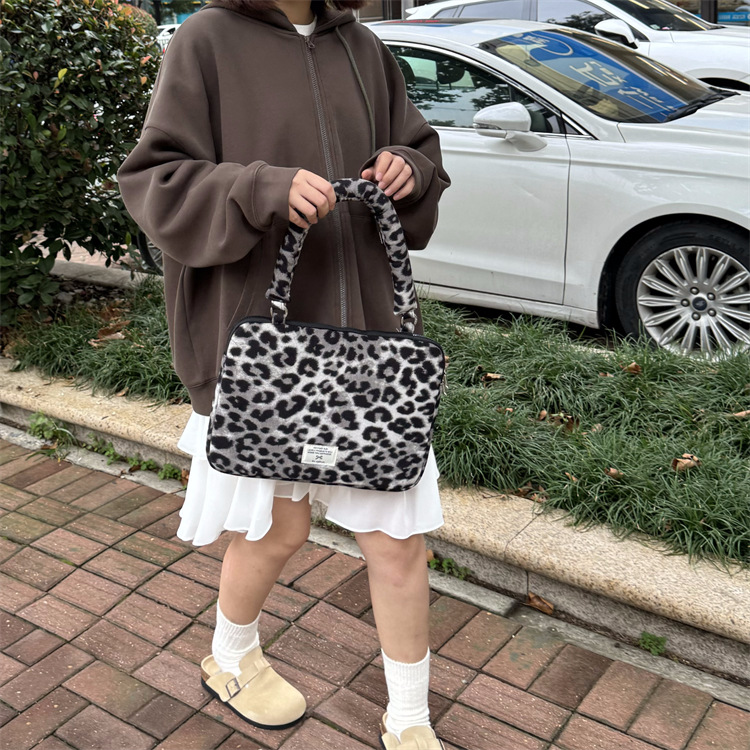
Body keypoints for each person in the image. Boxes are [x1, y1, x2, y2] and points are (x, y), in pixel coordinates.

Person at [117, 1, 450, 748]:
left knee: (397, 541)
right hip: (267, 352)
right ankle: (230, 657)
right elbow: (155, 180)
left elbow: (419, 149)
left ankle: (410, 719)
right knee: (274, 529)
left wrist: (412, 169)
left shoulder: (364, 46)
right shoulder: (206, 40)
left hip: (372, 352)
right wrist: (259, 188)